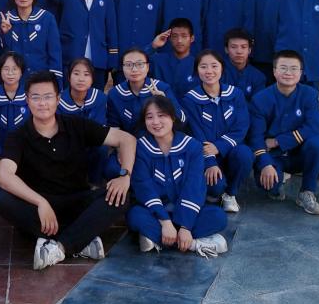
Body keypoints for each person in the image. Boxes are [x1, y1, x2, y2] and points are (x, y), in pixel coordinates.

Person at [0, 71, 136, 270]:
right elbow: (3, 175)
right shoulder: (18, 136)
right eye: (36, 97)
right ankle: (82, 239)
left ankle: (59, 246)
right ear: (27, 100)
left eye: (48, 97)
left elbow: (127, 139)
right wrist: (41, 202)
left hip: (77, 202)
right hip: (40, 209)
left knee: (120, 196)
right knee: (4, 199)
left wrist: (125, 175)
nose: (42, 103)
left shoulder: (75, 125)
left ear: (58, 99)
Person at [128, 95, 229, 255]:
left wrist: (185, 227)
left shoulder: (192, 146)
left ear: (173, 117)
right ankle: (193, 244)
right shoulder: (140, 147)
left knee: (218, 217)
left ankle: (159, 240)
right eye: (149, 117)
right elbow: (143, 187)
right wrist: (165, 222)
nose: (156, 122)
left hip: (185, 210)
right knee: (135, 216)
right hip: (157, 213)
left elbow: (194, 186)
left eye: (161, 115)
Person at [249, 50, 319, 215]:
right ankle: (277, 178)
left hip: (299, 151)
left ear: (301, 72)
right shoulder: (261, 99)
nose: (288, 73)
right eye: (283, 68)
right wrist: (265, 164)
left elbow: (314, 127)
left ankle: (307, 191)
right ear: (274, 71)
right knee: (269, 187)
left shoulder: (309, 94)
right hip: (273, 155)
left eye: (294, 68)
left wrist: (279, 141)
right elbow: (256, 137)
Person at [181, 50, 252, 214]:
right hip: (205, 155)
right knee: (215, 187)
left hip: (230, 150)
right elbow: (196, 134)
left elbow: (241, 127)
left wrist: (219, 146)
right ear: (197, 70)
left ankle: (230, 193)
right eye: (203, 67)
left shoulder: (235, 94)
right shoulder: (190, 99)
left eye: (214, 66)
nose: (209, 71)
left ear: (222, 68)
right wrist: (210, 162)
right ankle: (217, 190)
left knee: (245, 154)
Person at [59, 0, 118, 87]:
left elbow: (110, 26)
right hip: (71, 54)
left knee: (96, 95)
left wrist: (113, 56)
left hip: (97, 57)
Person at [108, 48, 183, 133]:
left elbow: (182, 120)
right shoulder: (115, 93)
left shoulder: (161, 87)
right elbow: (114, 127)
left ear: (147, 67)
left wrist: (165, 102)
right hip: (129, 140)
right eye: (128, 65)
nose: (134, 69)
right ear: (122, 68)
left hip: (159, 137)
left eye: (140, 64)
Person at [0, 0, 62, 77]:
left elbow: (55, 54)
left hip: (41, 79)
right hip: (16, 80)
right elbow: (3, 55)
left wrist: (56, 82)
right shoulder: (6, 19)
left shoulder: (47, 18)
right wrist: (6, 33)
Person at [0, 51, 30, 154]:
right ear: (0, 71)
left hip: (27, 152)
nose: (10, 73)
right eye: (6, 69)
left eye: (15, 69)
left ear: (21, 72)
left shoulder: (29, 96)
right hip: (0, 153)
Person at [149, 18, 199, 96]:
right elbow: (136, 63)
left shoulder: (198, 65)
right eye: (175, 36)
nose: (179, 40)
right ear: (169, 38)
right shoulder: (157, 61)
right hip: (160, 103)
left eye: (184, 36)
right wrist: (153, 46)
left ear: (192, 38)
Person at [222, 28, 267, 102]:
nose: (239, 51)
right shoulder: (217, 72)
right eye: (234, 47)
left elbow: (258, 104)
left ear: (249, 50)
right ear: (226, 49)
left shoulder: (258, 77)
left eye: (243, 47)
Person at [57, 58, 108, 123]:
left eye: (86, 74)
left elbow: (100, 125)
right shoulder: (58, 102)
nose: (81, 79)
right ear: (69, 77)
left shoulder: (100, 98)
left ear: (92, 79)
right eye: (76, 74)